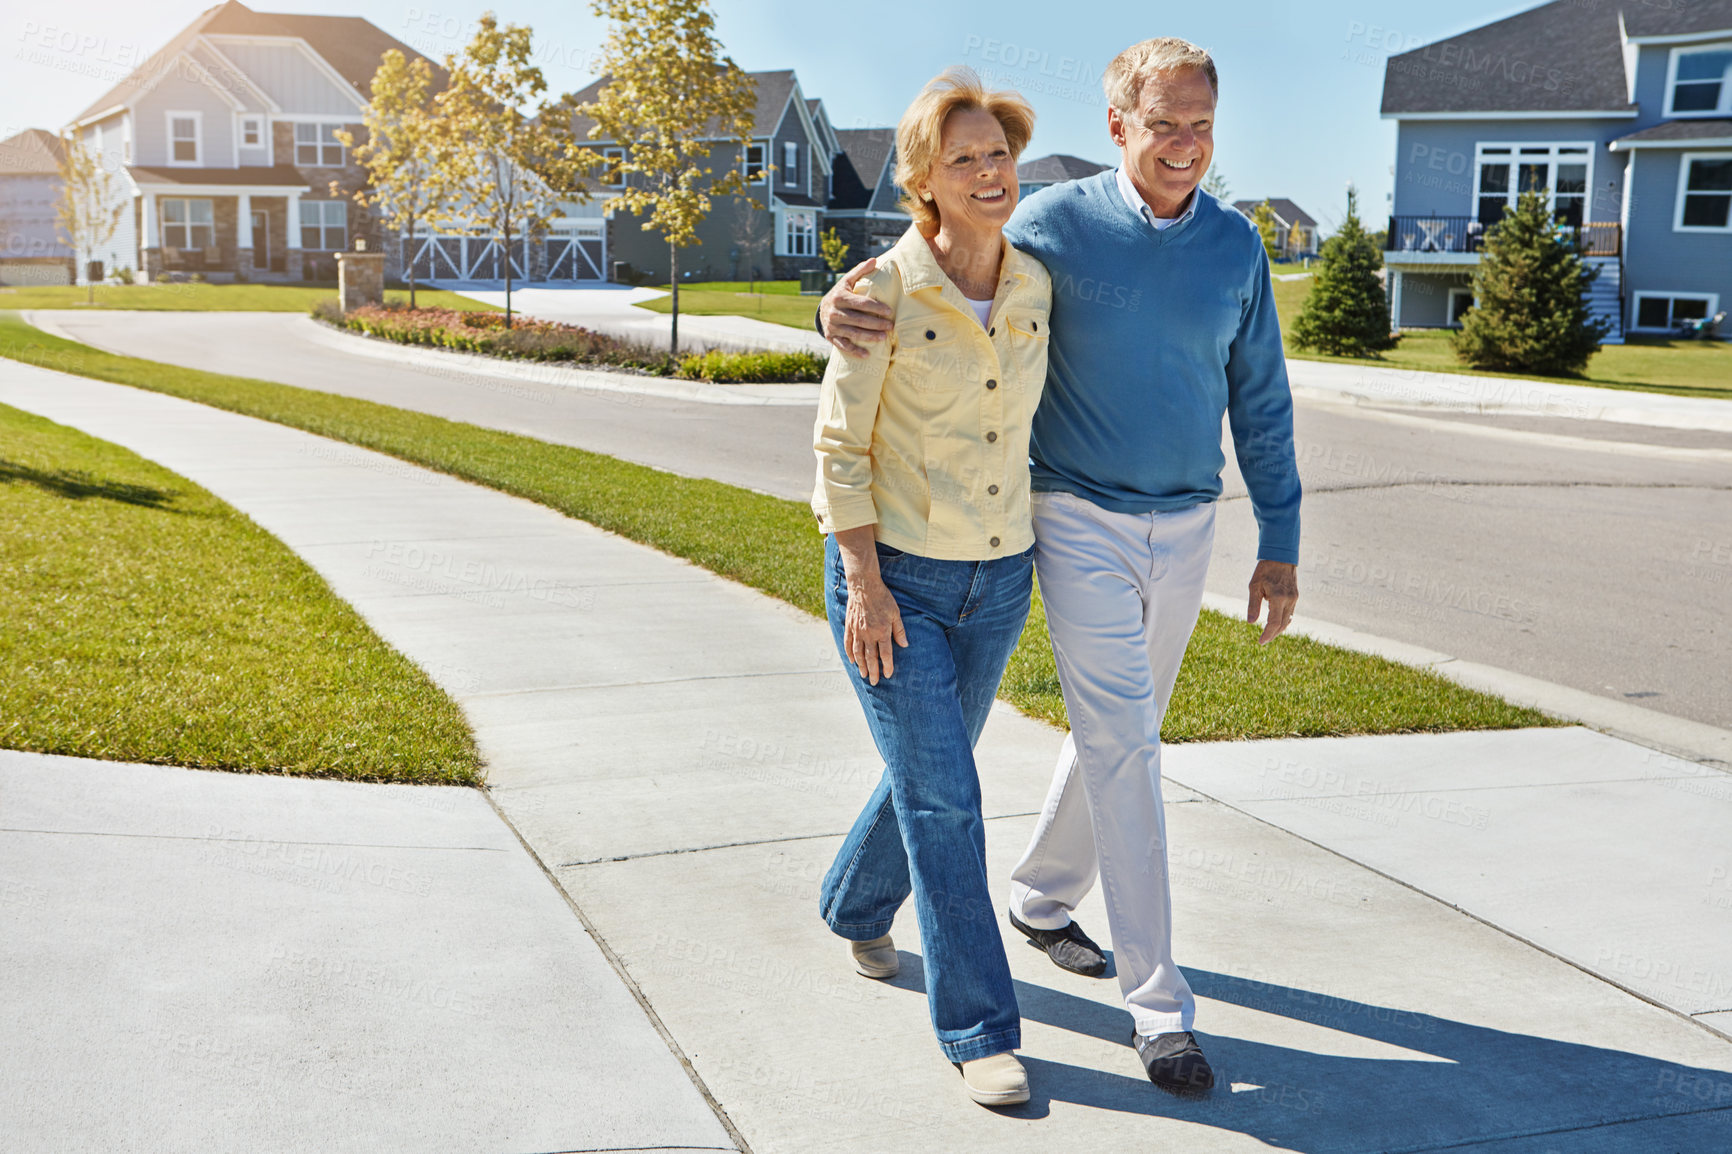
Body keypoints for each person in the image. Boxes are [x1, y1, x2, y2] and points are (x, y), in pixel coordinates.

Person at [818, 38, 1302, 1097]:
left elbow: (1260, 395)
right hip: (1057, 519)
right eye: (1163, 123)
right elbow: (929, 252)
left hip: (1136, 535)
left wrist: (1280, 534)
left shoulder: (1226, 246)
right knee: (1088, 752)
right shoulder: (1050, 222)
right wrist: (835, 307)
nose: (1184, 145)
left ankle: (1002, 897)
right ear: (1119, 124)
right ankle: (1136, 1011)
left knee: (1102, 740)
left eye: (1200, 126)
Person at [810, 67, 1051, 1108]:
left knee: (930, 776)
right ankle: (979, 1028)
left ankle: (854, 903)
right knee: (950, 796)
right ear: (923, 178)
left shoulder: (1037, 284)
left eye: (996, 152)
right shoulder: (877, 295)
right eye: (964, 158)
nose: (989, 171)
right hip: (892, 579)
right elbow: (837, 448)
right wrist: (863, 584)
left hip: (999, 579)